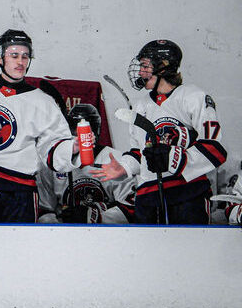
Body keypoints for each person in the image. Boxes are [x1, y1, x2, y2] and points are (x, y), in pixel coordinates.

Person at [0, 30, 84, 223]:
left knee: (17, 252)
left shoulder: (43, 102)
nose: (20, 61)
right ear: (0, 58)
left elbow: (53, 146)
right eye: (14, 55)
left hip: (20, 194)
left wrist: (71, 148)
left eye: (25, 56)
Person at [91, 40, 226, 224]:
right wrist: (125, 166)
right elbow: (140, 152)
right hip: (148, 198)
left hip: (187, 194)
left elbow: (215, 148)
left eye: (145, 66)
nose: (140, 72)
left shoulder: (193, 97)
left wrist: (174, 158)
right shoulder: (140, 106)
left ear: (164, 67)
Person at [37, 104, 135, 224]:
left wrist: (95, 218)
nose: (82, 136)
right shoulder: (54, 162)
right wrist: (59, 229)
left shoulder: (114, 159)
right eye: (76, 129)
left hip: (105, 236)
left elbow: (131, 206)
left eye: (88, 130)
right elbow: (44, 210)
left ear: (96, 130)